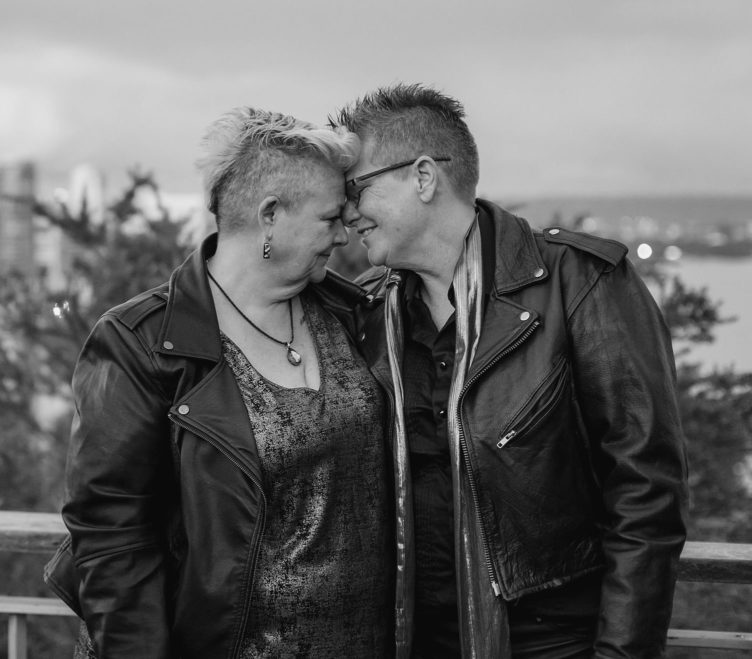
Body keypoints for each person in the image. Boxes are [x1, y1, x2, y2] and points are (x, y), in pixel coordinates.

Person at [330, 83, 688, 658]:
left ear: (423, 178)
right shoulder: (369, 312)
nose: (348, 213)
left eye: (356, 187)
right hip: (406, 638)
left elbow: (645, 490)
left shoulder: (581, 282)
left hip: (552, 639)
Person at [45, 107, 396, 657]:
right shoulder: (139, 343)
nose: (344, 234)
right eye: (330, 219)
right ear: (270, 215)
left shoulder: (355, 317)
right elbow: (113, 540)